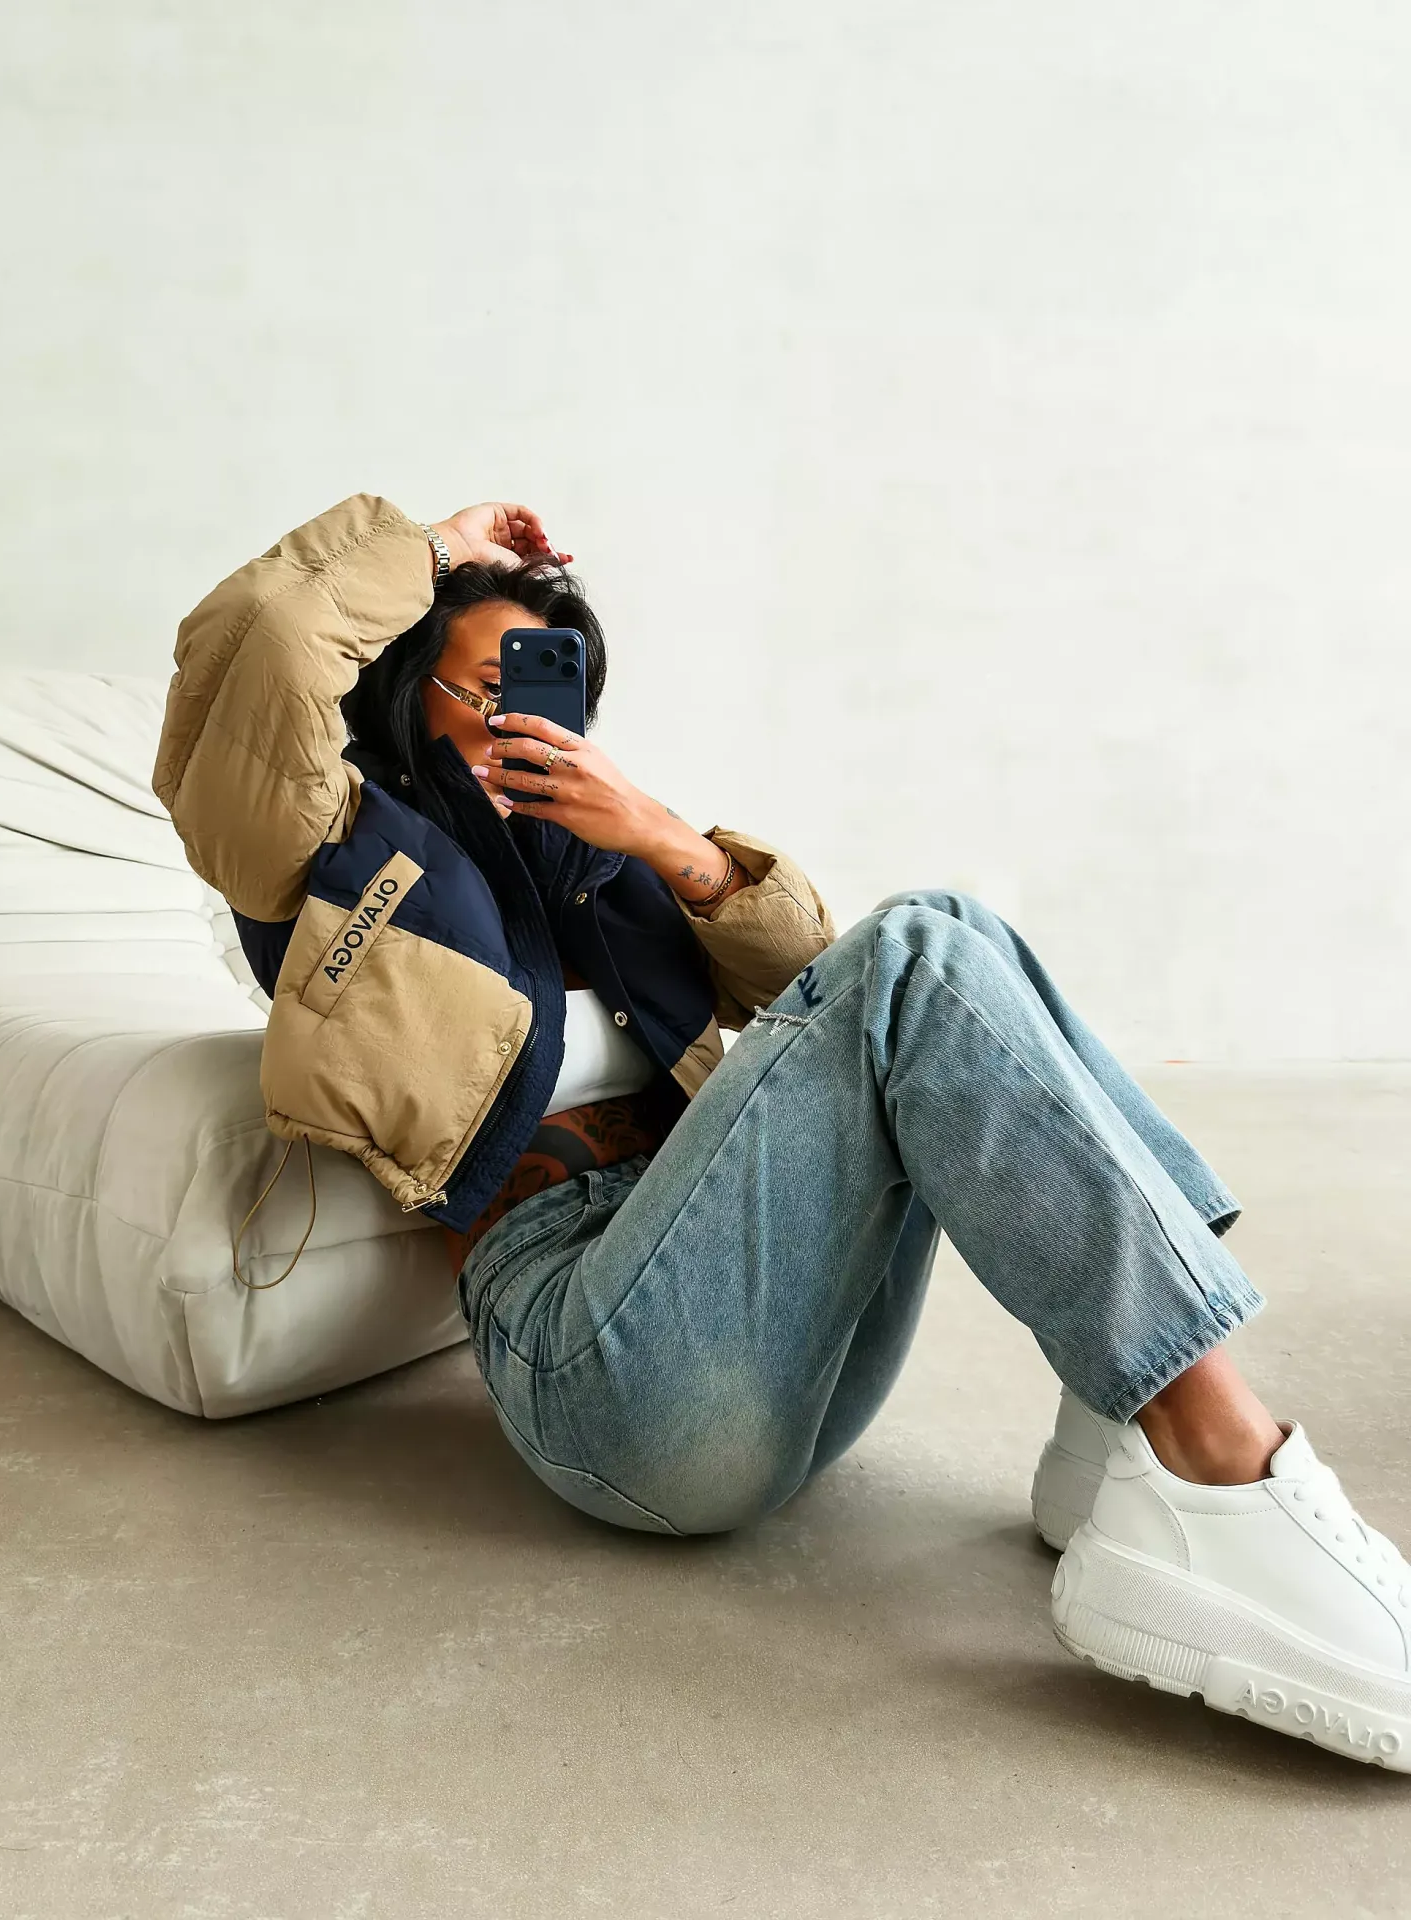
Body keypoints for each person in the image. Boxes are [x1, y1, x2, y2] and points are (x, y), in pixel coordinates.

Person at [155, 493, 1410, 1772]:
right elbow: (261, 638)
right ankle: (1215, 1466)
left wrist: (666, 841)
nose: (515, 722)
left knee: (945, 926)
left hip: (767, 1360)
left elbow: (819, 975)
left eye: (543, 693)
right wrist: (433, 549)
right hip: (596, 1374)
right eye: (485, 690)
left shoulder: (600, 867)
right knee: (917, 952)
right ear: (404, 688)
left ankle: (1125, 1412)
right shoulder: (326, 852)